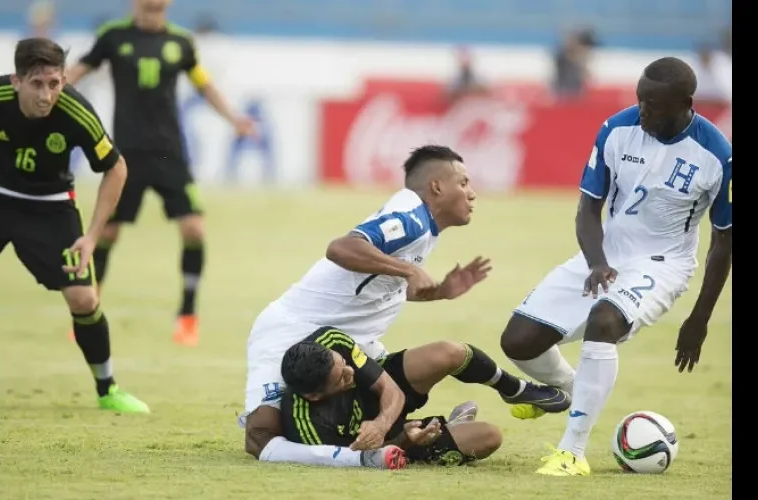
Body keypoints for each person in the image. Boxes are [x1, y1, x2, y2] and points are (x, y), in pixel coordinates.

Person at [240, 145, 571, 468]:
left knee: (445, 355)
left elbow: (377, 286)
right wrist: (409, 270)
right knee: (262, 437)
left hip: (349, 347)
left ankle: (508, 392)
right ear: (437, 186)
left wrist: (439, 291)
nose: (472, 193)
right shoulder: (411, 218)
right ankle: (386, 447)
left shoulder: (424, 228)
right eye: (463, 182)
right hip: (291, 331)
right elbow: (341, 248)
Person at [498, 57, 732, 476]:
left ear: (686, 103)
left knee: (603, 322)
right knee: (517, 341)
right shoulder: (616, 129)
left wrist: (699, 318)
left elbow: (725, 239)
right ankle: (571, 390)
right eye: (640, 100)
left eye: (654, 105)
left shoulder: (717, 155)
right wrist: (597, 262)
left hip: (663, 264)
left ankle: (572, 452)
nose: (643, 111)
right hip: (606, 255)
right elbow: (588, 208)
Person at [66, 0, 256, 346]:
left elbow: (204, 85)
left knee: (194, 229)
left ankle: (187, 314)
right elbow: (79, 70)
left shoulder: (181, 43)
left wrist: (233, 118)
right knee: (107, 233)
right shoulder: (113, 36)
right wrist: (53, 92)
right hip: (125, 154)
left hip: (170, 153)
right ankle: (88, 308)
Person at [0, 37, 149, 413]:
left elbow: (116, 167)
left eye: (54, 83)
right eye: (36, 84)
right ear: (16, 81)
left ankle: (107, 389)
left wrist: (92, 237)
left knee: (84, 298)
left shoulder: (75, 112)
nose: (47, 95)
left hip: (50, 207)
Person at [281, 328, 523, 469]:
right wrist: (404, 439)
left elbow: (390, 388)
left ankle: (517, 389)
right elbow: (363, 460)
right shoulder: (306, 429)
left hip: (383, 402)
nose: (351, 373)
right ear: (313, 395)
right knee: (489, 436)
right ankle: (448, 428)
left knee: (448, 352)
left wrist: (381, 423)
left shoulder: (331, 340)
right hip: (386, 442)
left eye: (344, 365)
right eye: (341, 380)